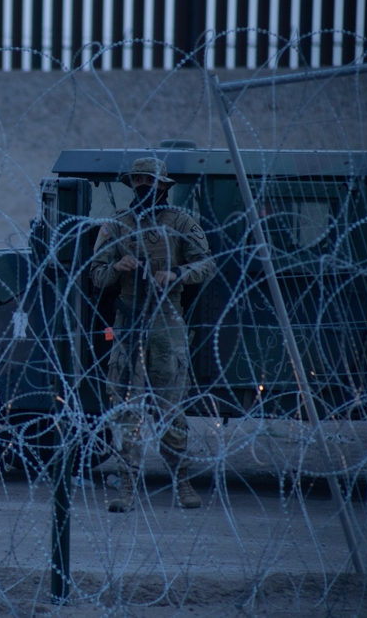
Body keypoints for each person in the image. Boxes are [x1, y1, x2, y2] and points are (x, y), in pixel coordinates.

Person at [90, 157, 216, 512]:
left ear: (164, 185)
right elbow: (94, 273)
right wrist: (115, 267)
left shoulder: (180, 222)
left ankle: (182, 481)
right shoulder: (117, 225)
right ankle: (126, 485)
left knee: (169, 407)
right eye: (138, 180)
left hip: (166, 320)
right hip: (128, 319)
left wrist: (175, 273)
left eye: (151, 180)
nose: (144, 185)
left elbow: (207, 263)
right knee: (126, 407)